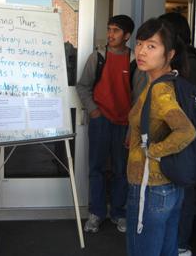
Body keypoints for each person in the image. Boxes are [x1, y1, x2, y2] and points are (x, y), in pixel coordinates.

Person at [126, 18, 196, 256]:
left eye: (151, 46)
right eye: (139, 43)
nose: (141, 51)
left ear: (170, 53)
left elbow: (186, 131)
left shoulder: (160, 92)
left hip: (151, 187)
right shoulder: (166, 83)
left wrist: (152, 152)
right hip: (168, 187)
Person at [76, 15, 135, 233]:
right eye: (109, 29)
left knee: (122, 170)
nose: (110, 34)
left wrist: (132, 126)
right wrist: (94, 111)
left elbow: (138, 97)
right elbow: (82, 86)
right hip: (101, 121)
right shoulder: (98, 57)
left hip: (123, 124)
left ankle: (119, 213)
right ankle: (96, 213)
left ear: (127, 36)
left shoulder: (135, 61)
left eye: (116, 31)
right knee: (97, 168)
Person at [158, 12, 196, 256]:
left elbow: (191, 111)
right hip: (177, 139)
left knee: (184, 192)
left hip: (188, 140)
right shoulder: (178, 62)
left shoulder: (191, 65)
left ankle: (181, 246)